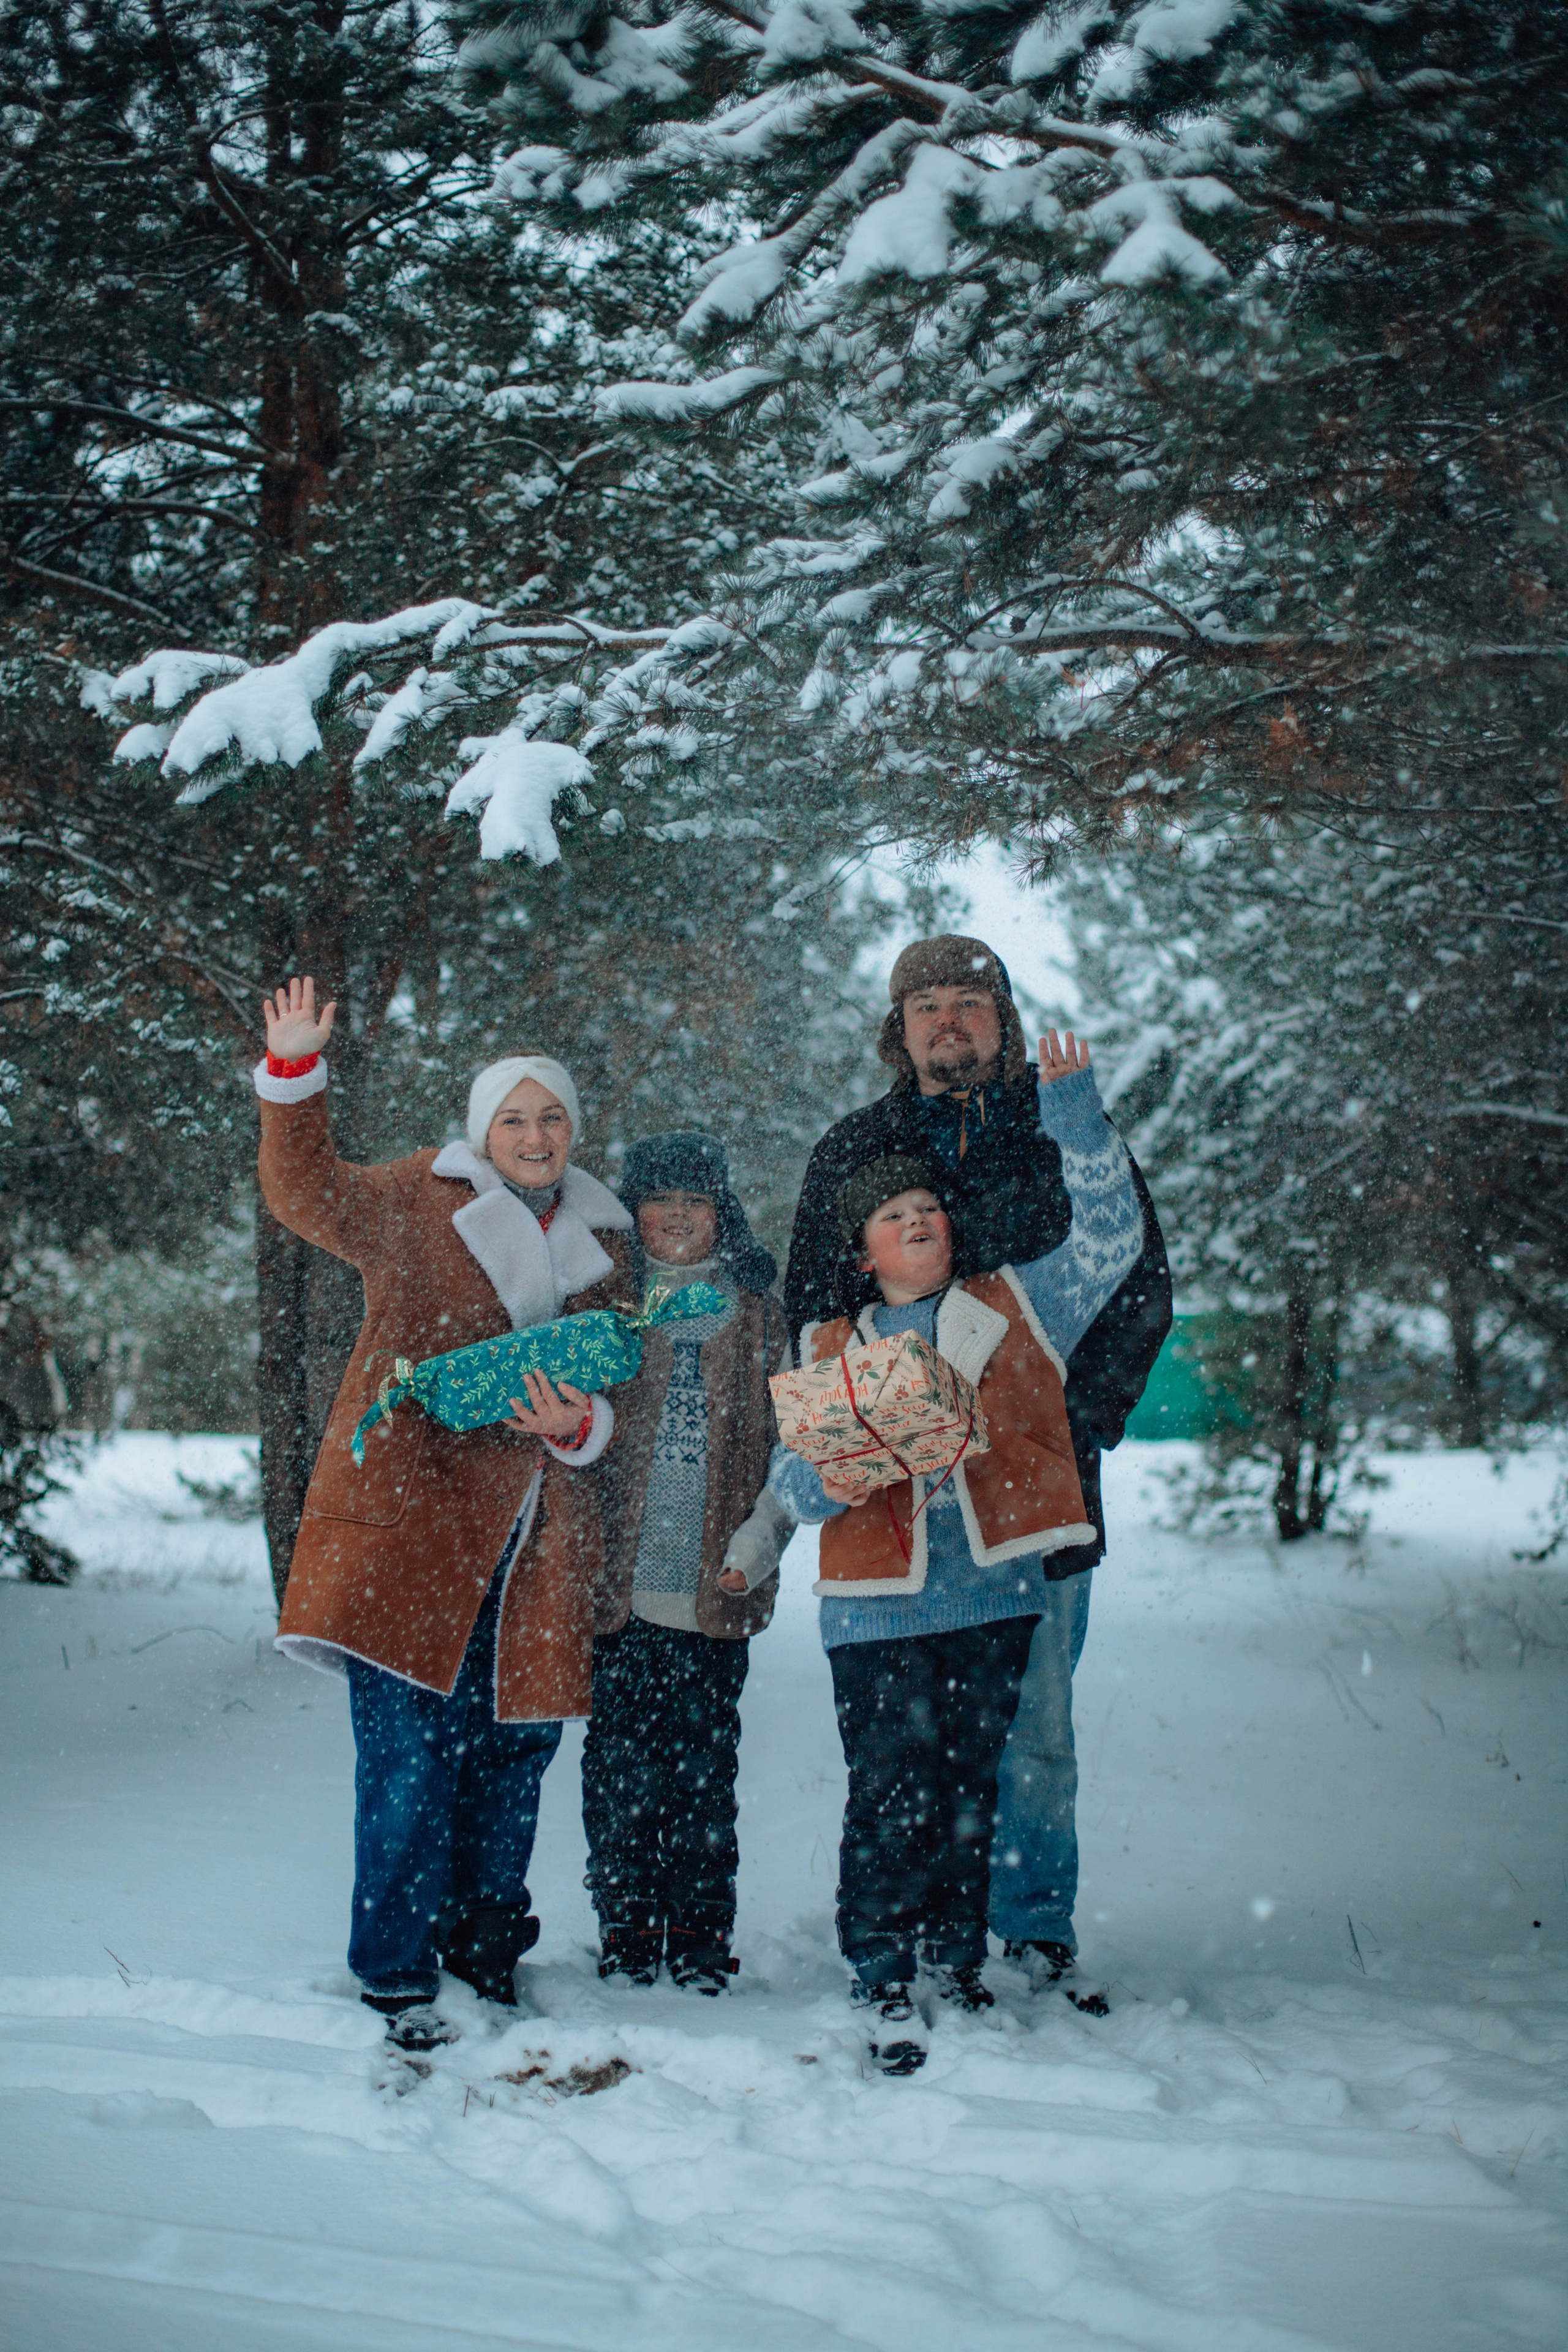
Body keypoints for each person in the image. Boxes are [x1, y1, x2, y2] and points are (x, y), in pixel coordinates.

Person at [784, 937, 1170, 1986]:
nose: (948, 1021)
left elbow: (1130, 1278)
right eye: (926, 1006)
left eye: (970, 1003)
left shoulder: (1058, 1135)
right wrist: (855, 1440)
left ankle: (1034, 1925)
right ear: (897, 1028)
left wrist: (1062, 1423)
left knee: (1035, 1730)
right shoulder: (850, 1151)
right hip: (896, 1521)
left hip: (1039, 1499)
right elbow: (813, 1317)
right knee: (910, 1754)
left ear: (1001, 1019)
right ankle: (913, 1933)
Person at [255, 976, 633, 2051]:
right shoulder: (420, 1197)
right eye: (513, 1117)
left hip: (536, 1555)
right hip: (409, 1540)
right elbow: (306, 1193)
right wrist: (294, 1075)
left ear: (573, 1131)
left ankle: (484, 1955)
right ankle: (396, 1973)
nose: (534, 1134)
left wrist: (580, 1423)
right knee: (412, 1762)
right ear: (482, 1131)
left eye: (551, 1116)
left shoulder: (605, 1241)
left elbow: (620, 1382)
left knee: (513, 1762)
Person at [584, 1131, 790, 1994]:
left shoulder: (757, 1314)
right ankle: (628, 1927)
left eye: (695, 1202)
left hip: (714, 1588)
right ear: (633, 1212)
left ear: (721, 1213)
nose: (677, 1216)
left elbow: (790, 1453)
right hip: (618, 1594)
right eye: (659, 1200)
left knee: (704, 1776)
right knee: (620, 1770)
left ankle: (702, 1934)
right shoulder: (604, 1304)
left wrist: (757, 1545)